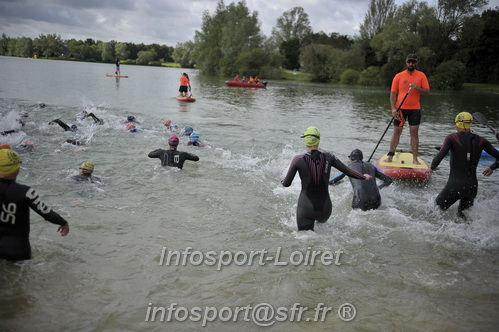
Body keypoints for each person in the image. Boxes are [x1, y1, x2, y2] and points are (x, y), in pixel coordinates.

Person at [281, 127, 373, 231]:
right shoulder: (329, 157)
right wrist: (364, 177)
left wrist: (282, 178)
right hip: (325, 209)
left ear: (305, 140)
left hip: (306, 208)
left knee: (305, 240)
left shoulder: (298, 159)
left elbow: (286, 184)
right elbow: (348, 170)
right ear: (318, 141)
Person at [0, 145, 69, 261]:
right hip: (17, 250)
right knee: (20, 278)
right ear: (18, 169)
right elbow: (47, 214)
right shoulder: (26, 192)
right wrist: (63, 222)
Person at [431, 112, 499, 220]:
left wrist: (432, 168)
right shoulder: (482, 140)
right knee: (464, 218)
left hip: (454, 185)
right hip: (472, 187)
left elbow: (437, 159)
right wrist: (492, 167)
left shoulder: (451, 138)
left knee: (435, 211)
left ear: (458, 124)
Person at [385, 53, 430, 165]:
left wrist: (416, 88)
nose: (411, 63)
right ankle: (390, 156)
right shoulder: (399, 76)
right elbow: (393, 94)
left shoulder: (421, 75)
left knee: (414, 133)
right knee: (397, 132)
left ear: (416, 63)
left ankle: (415, 158)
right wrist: (393, 109)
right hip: (400, 109)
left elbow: (427, 91)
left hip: (415, 109)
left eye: (413, 62)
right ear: (406, 63)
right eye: (409, 62)